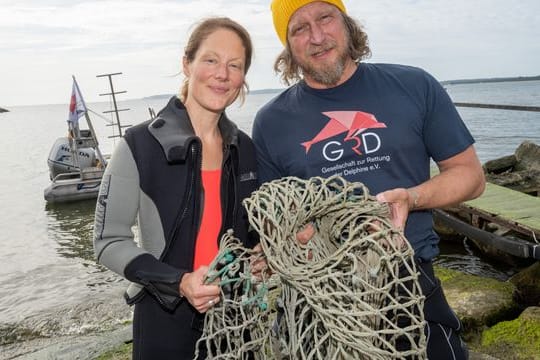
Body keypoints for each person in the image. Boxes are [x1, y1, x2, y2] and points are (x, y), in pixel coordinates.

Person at [252, 1, 486, 358]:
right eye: (299, 28)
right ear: (288, 45)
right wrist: (294, 237)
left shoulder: (413, 85)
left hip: (407, 278)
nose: (316, 37)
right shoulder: (271, 121)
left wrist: (411, 198)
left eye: (325, 18)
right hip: (320, 296)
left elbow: (470, 177)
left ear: (346, 23)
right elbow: (273, 221)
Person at [93, 17, 258, 359]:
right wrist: (179, 281)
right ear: (187, 64)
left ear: (242, 78)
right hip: (164, 319)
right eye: (211, 60)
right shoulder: (139, 144)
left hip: (237, 321)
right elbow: (108, 240)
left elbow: (251, 234)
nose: (222, 74)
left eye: (234, 65)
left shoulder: (245, 148)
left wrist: (263, 256)